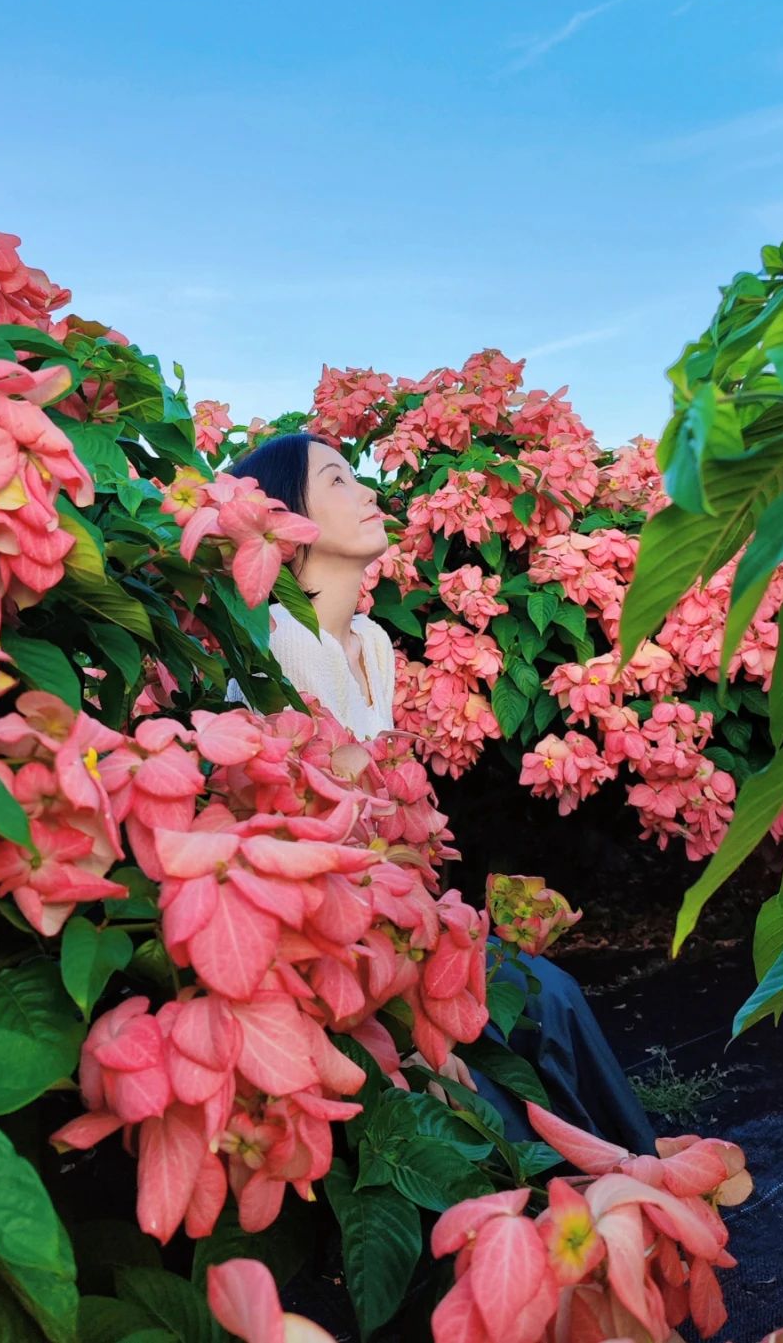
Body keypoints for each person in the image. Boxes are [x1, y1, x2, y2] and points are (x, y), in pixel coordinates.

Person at [226, 430, 655, 1153]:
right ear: (283, 524)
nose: (368, 492)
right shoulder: (282, 641)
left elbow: (395, 816)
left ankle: (628, 1168)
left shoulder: (369, 642)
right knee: (517, 1019)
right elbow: (327, 834)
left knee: (547, 993)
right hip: (331, 943)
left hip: (393, 917)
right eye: (336, 480)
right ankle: (599, 1180)